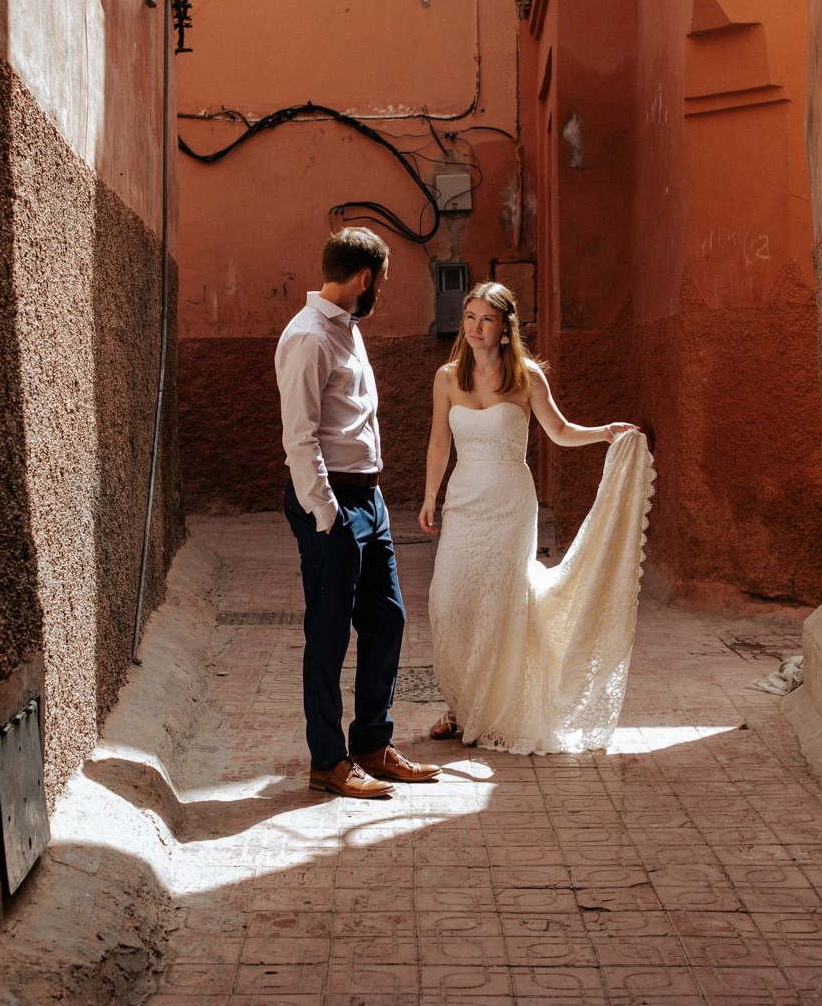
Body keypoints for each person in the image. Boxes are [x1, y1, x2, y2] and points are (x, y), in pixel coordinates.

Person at [418, 282, 655, 754]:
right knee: (449, 602)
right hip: (464, 501)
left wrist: (605, 433)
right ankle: (461, 702)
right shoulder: (447, 377)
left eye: (486, 319)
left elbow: (560, 431)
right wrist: (430, 496)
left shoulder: (527, 377)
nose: (475, 327)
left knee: (501, 604)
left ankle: (482, 711)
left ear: (505, 327)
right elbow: (439, 442)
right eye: (469, 318)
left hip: (510, 503)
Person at [276, 227, 441, 797]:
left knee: (387, 618)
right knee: (328, 634)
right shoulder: (308, 338)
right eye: (382, 281)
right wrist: (326, 514)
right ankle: (328, 760)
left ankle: (371, 742)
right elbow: (300, 438)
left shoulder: (348, 328)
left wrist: (370, 500)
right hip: (333, 505)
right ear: (365, 278)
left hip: (370, 499)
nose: (380, 291)